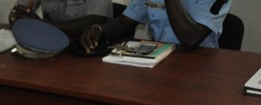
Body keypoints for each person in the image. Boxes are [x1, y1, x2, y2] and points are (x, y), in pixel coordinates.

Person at [80, 0, 231, 52]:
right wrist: (99, 29)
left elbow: (191, 38)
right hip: (159, 63)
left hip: (200, 71)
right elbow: (124, 22)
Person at [9, 0, 113, 38]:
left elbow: (97, 19)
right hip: (50, 47)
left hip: (84, 47)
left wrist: (42, 25)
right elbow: (19, 12)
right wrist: (17, 16)